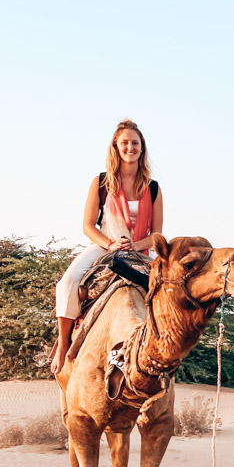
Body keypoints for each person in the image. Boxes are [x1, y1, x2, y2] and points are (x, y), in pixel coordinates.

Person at [51, 119, 163, 375]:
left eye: (135, 143)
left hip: (141, 250)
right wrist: (111, 244)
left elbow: (157, 234)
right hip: (105, 246)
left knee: (170, 291)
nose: (130, 147)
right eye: (125, 143)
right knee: (66, 284)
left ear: (142, 148)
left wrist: (136, 244)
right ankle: (64, 342)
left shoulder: (153, 188)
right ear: (116, 147)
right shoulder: (101, 182)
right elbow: (88, 225)